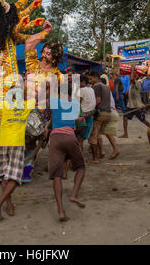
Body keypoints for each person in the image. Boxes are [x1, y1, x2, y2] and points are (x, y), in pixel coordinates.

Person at [0, 79, 38, 221]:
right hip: (17, 143)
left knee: (4, 175)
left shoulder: (3, 104)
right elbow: (37, 97)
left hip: (2, 142)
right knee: (15, 178)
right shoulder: (26, 105)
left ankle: (9, 205)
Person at [48, 83, 86, 222]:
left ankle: (61, 211)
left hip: (55, 138)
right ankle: (74, 195)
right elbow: (77, 119)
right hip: (70, 137)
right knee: (81, 167)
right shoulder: (74, 105)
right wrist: (82, 118)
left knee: (56, 176)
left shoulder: (54, 102)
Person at [119, 66, 150, 139]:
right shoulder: (131, 84)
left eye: (136, 74)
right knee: (125, 118)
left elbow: (132, 79)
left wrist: (132, 69)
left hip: (137, 106)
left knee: (143, 120)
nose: (134, 75)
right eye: (134, 74)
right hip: (130, 105)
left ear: (138, 77)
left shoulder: (138, 83)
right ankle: (125, 134)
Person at [87, 71, 111, 164]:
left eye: (91, 78)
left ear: (96, 77)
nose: (90, 80)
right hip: (108, 114)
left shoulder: (97, 86)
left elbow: (98, 100)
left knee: (93, 137)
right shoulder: (106, 86)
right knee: (98, 135)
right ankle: (101, 151)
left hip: (100, 114)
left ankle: (95, 158)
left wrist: (90, 110)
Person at [99, 78, 120, 160]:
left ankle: (103, 150)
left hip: (109, 112)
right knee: (106, 132)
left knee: (101, 132)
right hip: (113, 112)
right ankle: (111, 149)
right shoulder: (108, 90)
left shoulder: (101, 91)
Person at [79, 75, 96, 149]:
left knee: (78, 135)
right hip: (91, 114)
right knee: (84, 136)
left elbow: (78, 103)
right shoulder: (91, 89)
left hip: (82, 114)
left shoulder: (81, 90)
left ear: (82, 82)